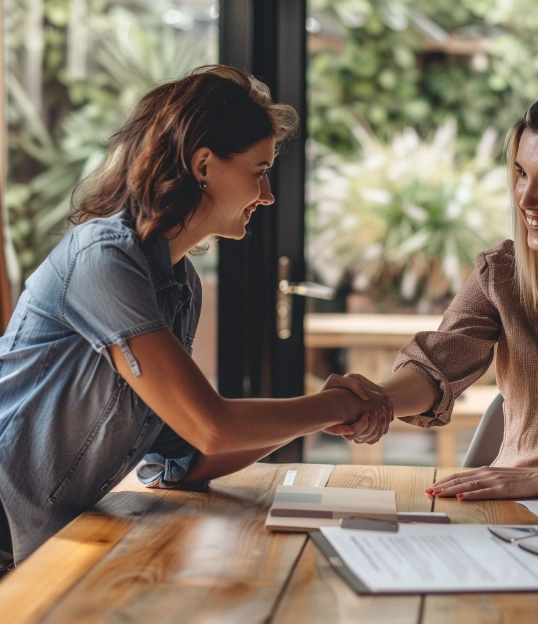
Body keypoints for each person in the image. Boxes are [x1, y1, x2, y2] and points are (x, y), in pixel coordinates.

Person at [0, 65, 392, 566]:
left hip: (45, 544)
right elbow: (211, 425)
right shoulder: (101, 258)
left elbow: (180, 459)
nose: (268, 195)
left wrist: (313, 418)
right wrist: (333, 406)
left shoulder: (179, 287)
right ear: (203, 164)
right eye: (259, 171)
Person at [334, 76, 538, 500]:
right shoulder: (502, 274)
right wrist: (377, 400)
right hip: (515, 516)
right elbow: (437, 365)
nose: (526, 199)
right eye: (522, 174)